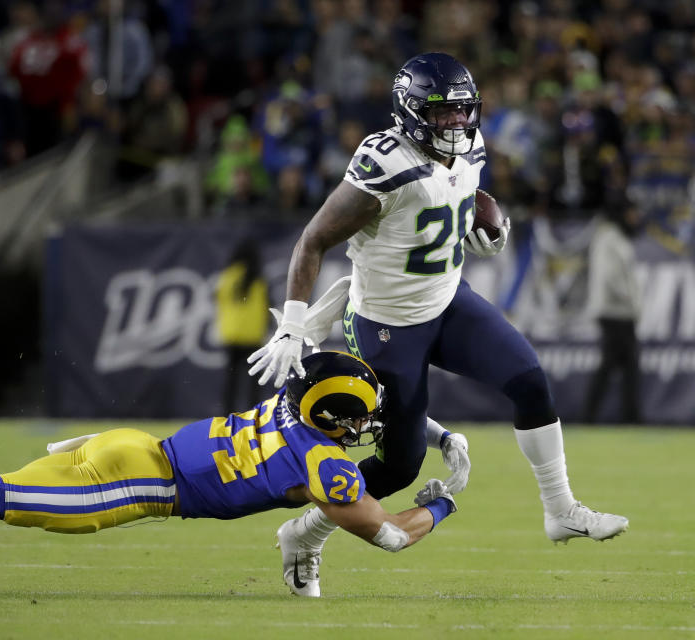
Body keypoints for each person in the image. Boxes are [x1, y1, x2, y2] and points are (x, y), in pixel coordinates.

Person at [247, 52, 628, 596]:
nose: (456, 123)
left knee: (529, 380)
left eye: (462, 112)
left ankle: (561, 508)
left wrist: (481, 222)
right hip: (385, 323)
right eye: (443, 113)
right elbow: (313, 239)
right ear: (410, 110)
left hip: (447, 301)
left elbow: (459, 196)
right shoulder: (386, 161)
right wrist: (292, 324)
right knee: (400, 466)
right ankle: (305, 533)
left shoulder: (470, 145)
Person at [0, 352, 460, 596]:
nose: (367, 429)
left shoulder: (295, 397)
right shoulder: (324, 466)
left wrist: (427, 432)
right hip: (145, 485)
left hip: (134, 446)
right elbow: (392, 535)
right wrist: (445, 501)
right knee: (3, 498)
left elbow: (341, 390)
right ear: (336, 419)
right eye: (360, 420)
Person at [582, 202, 642, 423]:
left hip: (619, 313)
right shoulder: (610, 238)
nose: (636, 217)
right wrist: (631, 300)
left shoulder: (615, 237)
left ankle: (626, 416)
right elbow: (611, 277)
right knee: (618, 367)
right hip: (615, 312)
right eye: (633, 212)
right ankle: (595, 416)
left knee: (621, 367)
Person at [215, 239, 270, 414]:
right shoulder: (258, 279)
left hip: (231, 335)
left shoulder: (227, 277)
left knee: (231, 381)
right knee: (254, 382)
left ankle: (227, 416)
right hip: (253, 336)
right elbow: (267, 307)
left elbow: (218, 299)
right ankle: (252, 415)